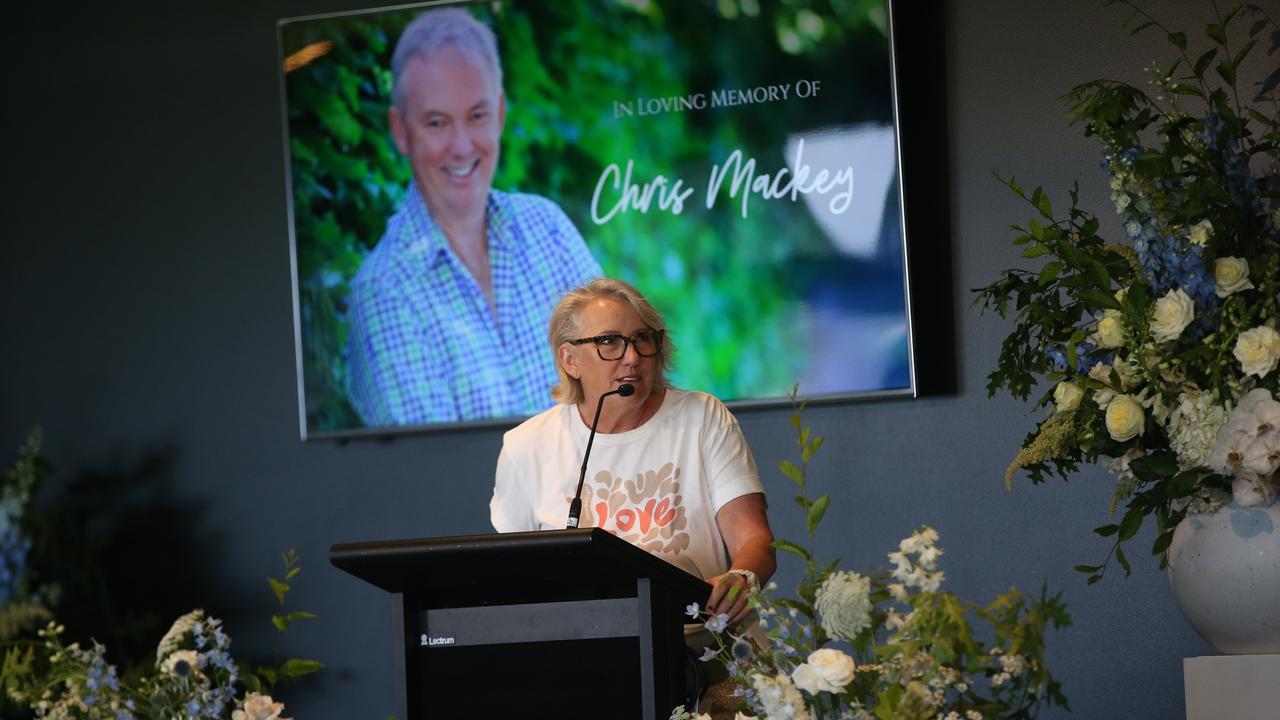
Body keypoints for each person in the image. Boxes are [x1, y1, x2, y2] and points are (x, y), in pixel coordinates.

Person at [346, 8, 601, 426]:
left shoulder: (547, 228)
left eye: (477, 116)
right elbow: (437, 476)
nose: (462, 147)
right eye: (437, 123)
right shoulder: (383, 292)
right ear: (401, 131)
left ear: (500, 113)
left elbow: (624, 394)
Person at [490, 277, 776, 636]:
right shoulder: (526, 446)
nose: (632, 357)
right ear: (570, 359)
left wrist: (742, 577)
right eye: (609, 342)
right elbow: (513, 582)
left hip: (701, 648)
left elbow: (755, 540)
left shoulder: (702, 418)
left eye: (642, 339)